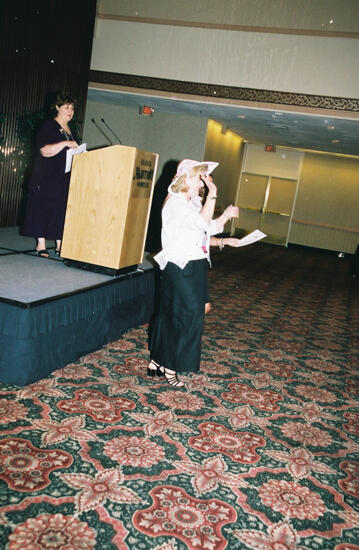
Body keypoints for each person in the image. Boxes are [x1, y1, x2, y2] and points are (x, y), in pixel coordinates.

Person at [148, 159, 239, 387]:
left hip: (195, 265)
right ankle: (170, 365)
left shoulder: (193, 202)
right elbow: (200, 224)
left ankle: (158, 360)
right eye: (201, 177)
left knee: (177, 314)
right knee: (186, 317)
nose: (204, 182)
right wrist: (214, 194)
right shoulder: (176, 203)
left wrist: (226, 216)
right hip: (180, 266)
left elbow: (209, 228)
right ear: (187, 178)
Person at [22, 92, 79, 257]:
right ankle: (41, 245)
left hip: (63, 177)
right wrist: (65, 143)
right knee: (42, 209)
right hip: (45, 176)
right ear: (57, 108)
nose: (70, 111)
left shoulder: (70, 130)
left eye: (72, 108)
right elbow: (45, 151)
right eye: (66, 107)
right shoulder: (48, 126)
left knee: (59, 210)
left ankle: (60, 245)